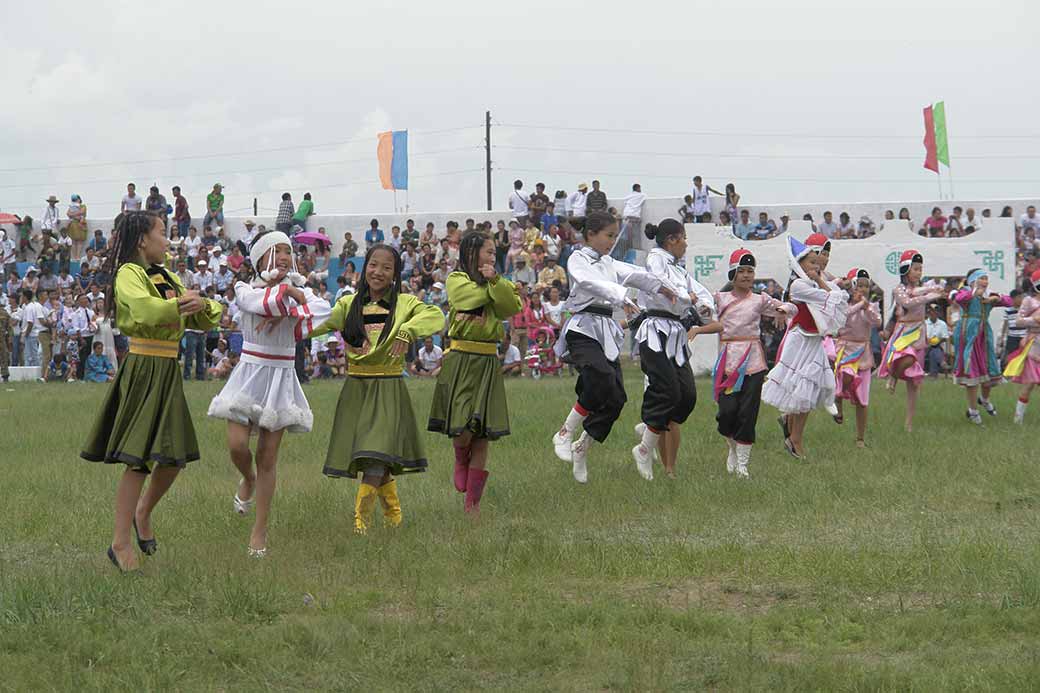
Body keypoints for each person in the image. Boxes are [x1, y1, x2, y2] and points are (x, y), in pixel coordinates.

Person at [80, 211, 223, 572]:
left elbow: (206, 316)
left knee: (173, 456)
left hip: (167, 370)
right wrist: (179, 304)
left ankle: (142, 513)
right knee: (138, 458)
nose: (168, 239)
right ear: (142, 239)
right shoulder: (129, 273)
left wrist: (202, 304)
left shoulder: (167, 275)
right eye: (163, 233)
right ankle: (120, 543)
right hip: (144, 366)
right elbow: (143, 310)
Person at [207, 230, 331, 557]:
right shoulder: (245, 288)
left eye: (288, 251)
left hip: (281, 376)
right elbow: (255, 303)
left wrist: (290, 295)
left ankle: (259, 531)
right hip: (249, 373)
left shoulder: (301, 292)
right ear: (260, 258)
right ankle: (245, 478)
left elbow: (322, 311)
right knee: (236, 445)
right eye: (276, 252)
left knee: (268, 456)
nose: (285, 257)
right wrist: (287, 297)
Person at [312, 244, 444, 534]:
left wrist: (408, 331)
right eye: (373, 265)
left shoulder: (407, 303)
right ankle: (394, 519)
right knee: (374, 455)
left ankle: (361, 523)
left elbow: (436, 316)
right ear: (364, 267)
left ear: (396, 273)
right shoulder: (348, 306)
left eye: (386, 267)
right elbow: (314, 324)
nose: (378, 272)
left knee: (378, 450)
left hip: (388, 388)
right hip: (357, 389)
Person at [550, 211, 676, 484]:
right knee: (600, 378)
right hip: (583, 329)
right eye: (608, 235)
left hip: (605, 331)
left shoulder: (609, 262)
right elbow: (589, 282)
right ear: (591, 234)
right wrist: (622, 298)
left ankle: (582, 446)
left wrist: (662, 287)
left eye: (613, 235)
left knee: (616, 398)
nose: (611, 241)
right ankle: (564, 432)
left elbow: (636, 274)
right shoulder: (577, 259)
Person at [428, 231, 522, 514]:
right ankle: (460, 455)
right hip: (461, 359)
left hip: (487, 360)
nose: (493, 256)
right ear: (471, 252)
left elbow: (510, 308)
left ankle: (473, 505)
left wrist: (497, 284)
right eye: (488, 251)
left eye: (495, 252)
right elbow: (466, 299)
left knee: (483, 433)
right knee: (462, 425)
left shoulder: (497, 282)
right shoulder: (456, 279)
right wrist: (497, 289)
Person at [691, 249, 794, 477]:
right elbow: (703, 311)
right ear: (733, 274)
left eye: (750, 271)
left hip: (754, 361)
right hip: (729, 361)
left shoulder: (760, 299)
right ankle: (732, 446)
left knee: (748, 412)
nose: (747, 276)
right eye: (742, 271)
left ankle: (743, 464)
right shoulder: (720, 298)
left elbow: (791, 307)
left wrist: (782, 310)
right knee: (727, 412)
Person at [631, 220, 715, 480]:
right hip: (656, 330)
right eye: (684, 238)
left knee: (687, 395)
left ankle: (648, 430)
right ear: (672, 240)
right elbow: (661, 284)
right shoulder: (656, 259)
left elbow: (699, 292)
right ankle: (645, 448)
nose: (686, 243)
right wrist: (686, 297)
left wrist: (702, 305)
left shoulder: (680, 269)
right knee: (667, 390)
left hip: (675, 336)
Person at [761, 236, 848, 459]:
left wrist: (825, 280)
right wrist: (822, 281)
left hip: (813, 340)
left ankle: (794, 434)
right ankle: (794, 439)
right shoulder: (800, 284)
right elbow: (833, 297)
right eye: (811, 262)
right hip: (800, 342)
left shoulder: (810, 282)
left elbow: (835, 293)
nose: (817, 265)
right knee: (802, 387)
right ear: (799, 265)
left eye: (817, 262)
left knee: (812, 387)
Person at [877, 250, 945, 432]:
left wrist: (934, 289)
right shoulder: (898, 289)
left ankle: (909, 423)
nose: (918, 272)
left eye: (920, 269)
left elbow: (919, 291)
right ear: (906, 270)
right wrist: (931, 296)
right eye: (915, 269)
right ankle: (893, 375)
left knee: (914, 382)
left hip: (919, 334)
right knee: (906, 359)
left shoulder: (919, 288)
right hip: (904, 333)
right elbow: (908, 302)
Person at [951, 268, 1013, 424]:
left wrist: (995, 299)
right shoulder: (966, 294)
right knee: (971, 371)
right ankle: (972, 411)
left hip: (984, 336)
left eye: (986, 278)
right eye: (981, 278)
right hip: (968, 335)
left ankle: (984, 400)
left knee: (989, 372)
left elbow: (1010, 301)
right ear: (973, 281)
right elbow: (958, 298)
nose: (985, 281)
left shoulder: (989, 295)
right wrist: (974, 292)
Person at [833, 268, 882, 447]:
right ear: (852, 286)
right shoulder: (843, 303)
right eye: (859, 285)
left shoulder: (871, 305)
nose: (863, 289)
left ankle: (860, 438)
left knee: (863, 398)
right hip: (845, 349)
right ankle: (838, 398)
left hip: (863, 351)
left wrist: (866, 306)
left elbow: (877, 322)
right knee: (846, 375)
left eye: (866, 286)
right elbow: (842, 318)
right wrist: (857, 305)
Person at [1004, 269, 1040, 423]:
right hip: (1033, 344)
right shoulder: (1029, 301)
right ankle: (1018, 419)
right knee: (1029, 383)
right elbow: (1018, 321)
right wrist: (1035, 320)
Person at [616, 183, 646, 260]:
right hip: (634, 217)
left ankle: (625, 251)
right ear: (638, 189)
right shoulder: (642, 195)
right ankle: (630, 250)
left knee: (626, 236)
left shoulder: (629, 196)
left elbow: (625, 202)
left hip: (626, 216)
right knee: (634, 236)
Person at [924, 304, 950, 377]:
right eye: (932, 312)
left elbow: (946, 338)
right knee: (933, 350)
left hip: (937, 345)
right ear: (928, 313)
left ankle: (933, 374)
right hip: (925, 346)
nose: (934, 313)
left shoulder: (942, 324)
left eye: (936, 312)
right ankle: (942, 363)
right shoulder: (924, 323)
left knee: (934, 351)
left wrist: (947, 351)